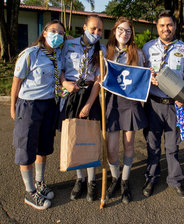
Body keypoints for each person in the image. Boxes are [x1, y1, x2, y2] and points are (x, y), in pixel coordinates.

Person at [10, 20, 65, 210]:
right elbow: (16, 82)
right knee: (26, 148)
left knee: (43, 147)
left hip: (49, 105)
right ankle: (30, 191)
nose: (56, 35)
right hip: (29, 106)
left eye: (61, 33)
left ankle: (40, 182)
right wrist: (13, 107)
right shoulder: (30, 54)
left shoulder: (57, 55)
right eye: (53, 31)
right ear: (44, 33)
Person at [142, 10, 184, 199]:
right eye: (162, 25)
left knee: (172, 147)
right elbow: (141, 74)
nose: (166, 28)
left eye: (169, 25)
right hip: (153, 104)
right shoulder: (147, 48)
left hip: (175, 106)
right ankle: (152, 177)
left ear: (175, 27)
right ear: (157, 27)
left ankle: (175, 179)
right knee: (152, 144)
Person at [60, 15, 106, 202]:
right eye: (93, 28)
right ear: (85, 27)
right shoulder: (69, 45)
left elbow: (98, 80)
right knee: (75, 137)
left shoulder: (101, 50)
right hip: (72, 93)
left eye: (100, 30)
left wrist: (88, 105)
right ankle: (80, 179)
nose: (96, 33)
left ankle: (92, 181)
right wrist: (65, 84)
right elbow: (61, 69)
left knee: (90, 139)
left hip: (90, 96)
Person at [105, 17, 147, 204]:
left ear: (131, 34)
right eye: (121, 30)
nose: (124, 33)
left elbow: (143, 76)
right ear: (115, 31)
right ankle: (115, 177)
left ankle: (125, 180)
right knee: (111, 148)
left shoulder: (137, 53)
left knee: (129, 144)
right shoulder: (105, 51)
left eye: (128, 31)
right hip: (111, 103)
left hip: (130, 102)